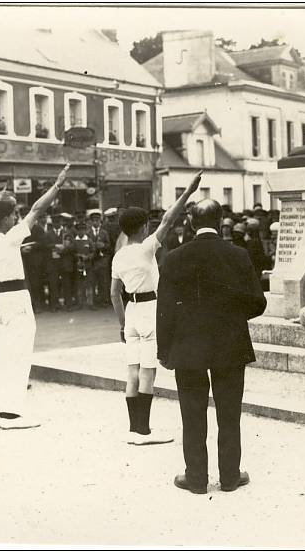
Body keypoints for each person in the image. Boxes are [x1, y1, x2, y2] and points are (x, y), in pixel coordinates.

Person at [157, 199, 267, 494]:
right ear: (220, 222)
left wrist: (164, 350)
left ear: (191, 223)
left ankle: (196, 479)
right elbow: (258, 302)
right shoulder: (238, 255)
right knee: (229, 414)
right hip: (229, 343)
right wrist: (229, 315)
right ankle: (230, 478)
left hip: (187, 346)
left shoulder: (174, 257)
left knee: (192, 414)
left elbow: (164, 309)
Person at [109, 170, 202, 445]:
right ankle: (144, 431)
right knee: (148, 371)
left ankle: (133, 429)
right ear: (143, 228)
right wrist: (187, 192)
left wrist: (122, 324)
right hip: (151, 310)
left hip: (132, 313)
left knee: (132, 370)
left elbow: (115, 295)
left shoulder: (119, 256)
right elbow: (169, 219)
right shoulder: (146, 248)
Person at [0, 163, 71, 430]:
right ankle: (12, 415)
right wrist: (57, 185)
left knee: (7, 356)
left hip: (0, 301)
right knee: (18, 357)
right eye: (13, 214)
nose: (16, 217)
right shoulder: (9, 239)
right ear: (6, 219)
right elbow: (36, 210)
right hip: (15, 299)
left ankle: (6, 411)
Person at [86, 210, 111, 308]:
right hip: (92, 261)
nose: (96, 222)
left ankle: (104, 301)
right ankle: (94, 302)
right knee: (93, 281)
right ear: (91, 221)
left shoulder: (104, 232)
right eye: (94, 220)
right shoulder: (87, 232)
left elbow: (109, 245)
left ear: (100, 221)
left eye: (97, 220)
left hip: (102, 260)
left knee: (103, 281)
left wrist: (103, 245)